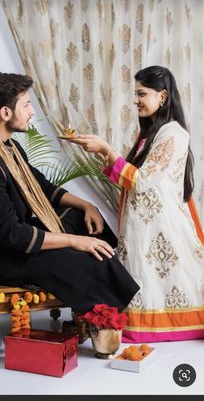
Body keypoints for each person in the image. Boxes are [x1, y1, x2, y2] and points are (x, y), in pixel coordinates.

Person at [0, 72, 139, 340]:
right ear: (5, 112)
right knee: (85, 255)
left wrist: (86, 205)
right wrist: (73, 242)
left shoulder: (9, 147)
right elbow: (14, 234)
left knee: (86, 224)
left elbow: (44, 188)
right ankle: (105, 319)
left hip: (19, 239)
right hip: (3, 256)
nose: (32, 111)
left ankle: (101, 302)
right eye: (25, 105)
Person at [70, 65, 204, 343]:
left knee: (165, 277)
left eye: (142, 94)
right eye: (135, 94)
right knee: (144, 275)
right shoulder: (150, 134)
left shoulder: (173, 134)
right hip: (143, 223)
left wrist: (107, 150)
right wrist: (99, 152)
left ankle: (173, 326)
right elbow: (129, 179)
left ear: (163, 97)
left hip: (161, 224)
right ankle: (138, 326)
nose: (135, 100)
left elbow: (142, 181)